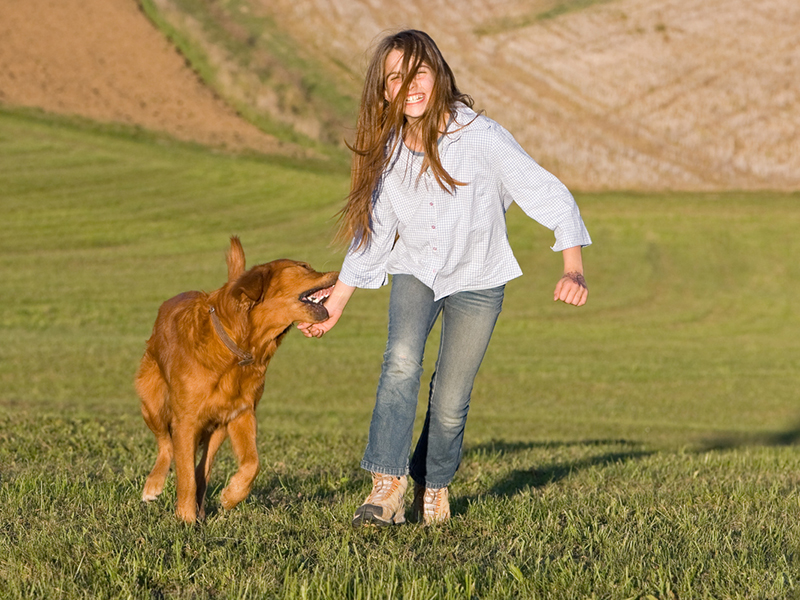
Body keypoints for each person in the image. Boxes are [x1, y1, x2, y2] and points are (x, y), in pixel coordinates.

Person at [298, 29, 591, 526]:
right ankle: (386, 486)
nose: (408, 85)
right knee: (401, 362)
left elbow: (545, 190)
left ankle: (432, 486)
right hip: (415, 270)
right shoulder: (389, 151)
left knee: (452, 397)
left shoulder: (482, 136)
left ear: (437, 74)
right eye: (395, 77)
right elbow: (375, 233)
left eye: (418, 73)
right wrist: (338, 301)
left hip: (478, 278)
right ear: (384, 89)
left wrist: (574, 267)